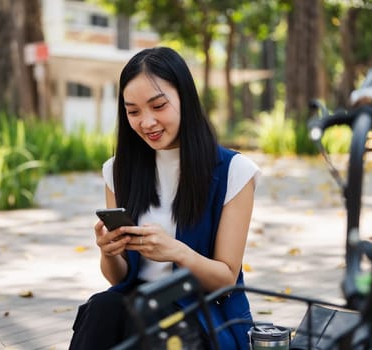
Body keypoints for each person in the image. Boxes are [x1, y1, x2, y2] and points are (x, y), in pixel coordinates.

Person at [69, 47, 260, 350]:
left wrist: (176, 252)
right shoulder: (118, 171)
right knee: (103, 308)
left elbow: (225, 279)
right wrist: (108, 252)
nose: (146, 122)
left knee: (146, 319)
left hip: (201, 314)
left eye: (158, 106)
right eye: (133, 112)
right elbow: (118, 279)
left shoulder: (233, 171)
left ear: (185, 98)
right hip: (138, 306)